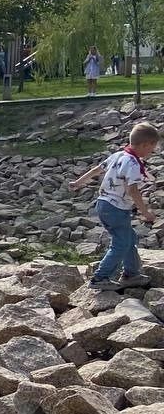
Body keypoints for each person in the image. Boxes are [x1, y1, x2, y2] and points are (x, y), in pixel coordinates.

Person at [69, 121, 159, 290]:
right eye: (152, 147)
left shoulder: (119, 155)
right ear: (146, 144)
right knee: (121, 243)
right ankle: (100, 278)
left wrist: (78, 182)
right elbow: (133, 190)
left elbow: (98, 169)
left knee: (129, 239)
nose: (152, 151)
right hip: (116, 209)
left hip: (103, 204)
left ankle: (131, 274)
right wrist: (145, 212)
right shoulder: (132, 164)